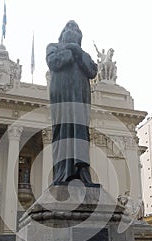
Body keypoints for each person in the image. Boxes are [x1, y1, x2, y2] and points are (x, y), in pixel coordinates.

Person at [46, 20, 97, 184]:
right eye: (68, 28)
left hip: (80, 98)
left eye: (76, 29)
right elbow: (53, 62)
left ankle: (81, 170)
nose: (72, 30)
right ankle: (63, 171)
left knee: (80, 132)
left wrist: (79, 52)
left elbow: (92, 71)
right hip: (61, 98)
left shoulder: (84, 55)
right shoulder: (53, 47)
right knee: (62, 131)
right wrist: (71, 50)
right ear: (62, 34)